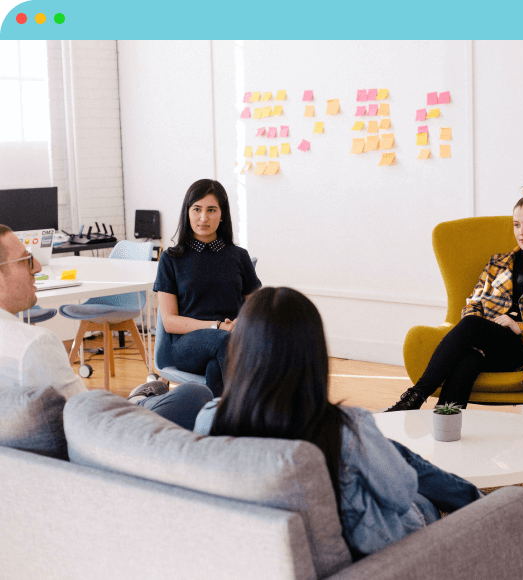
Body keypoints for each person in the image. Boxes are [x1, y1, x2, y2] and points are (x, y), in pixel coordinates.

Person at [192, 287, 484, 557]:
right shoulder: (345, 428)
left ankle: (474, 498)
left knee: (388, 449)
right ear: (314, 354)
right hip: (369, 557)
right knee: (417, 494)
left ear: (240, 350)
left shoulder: (210, 418)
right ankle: (486, 508)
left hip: (264, 552)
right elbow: (400, 494)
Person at [386, 179, 523, 411]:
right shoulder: (498, 262)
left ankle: (415, 396)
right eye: (517, 225)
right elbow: (474, 302)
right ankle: (444, 422)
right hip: (488, 342)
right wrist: (487, 329)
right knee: (469, 359)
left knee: (471, 325)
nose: (522, 232)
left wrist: (522, 327)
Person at [0, 224, 212, 430]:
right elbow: (88, 417)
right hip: (108, 438)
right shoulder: (33, 346)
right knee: (195, 394)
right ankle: (137, 402)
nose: (37, 266)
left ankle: (135, 401)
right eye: (25, 260)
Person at [154, 179, 261, 396]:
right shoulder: (171, 259)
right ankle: (256, 413)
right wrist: (217, 326)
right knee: (226, 342)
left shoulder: (239, 256)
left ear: (222, 215)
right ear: (187, 213)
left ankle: (218, 424)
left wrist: (242, 321)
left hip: (229, 342)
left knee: (217, 367)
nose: (204, 218)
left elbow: (259, 308)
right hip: (187, 346)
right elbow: (170, 321)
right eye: (197, 209)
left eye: (211, 210)